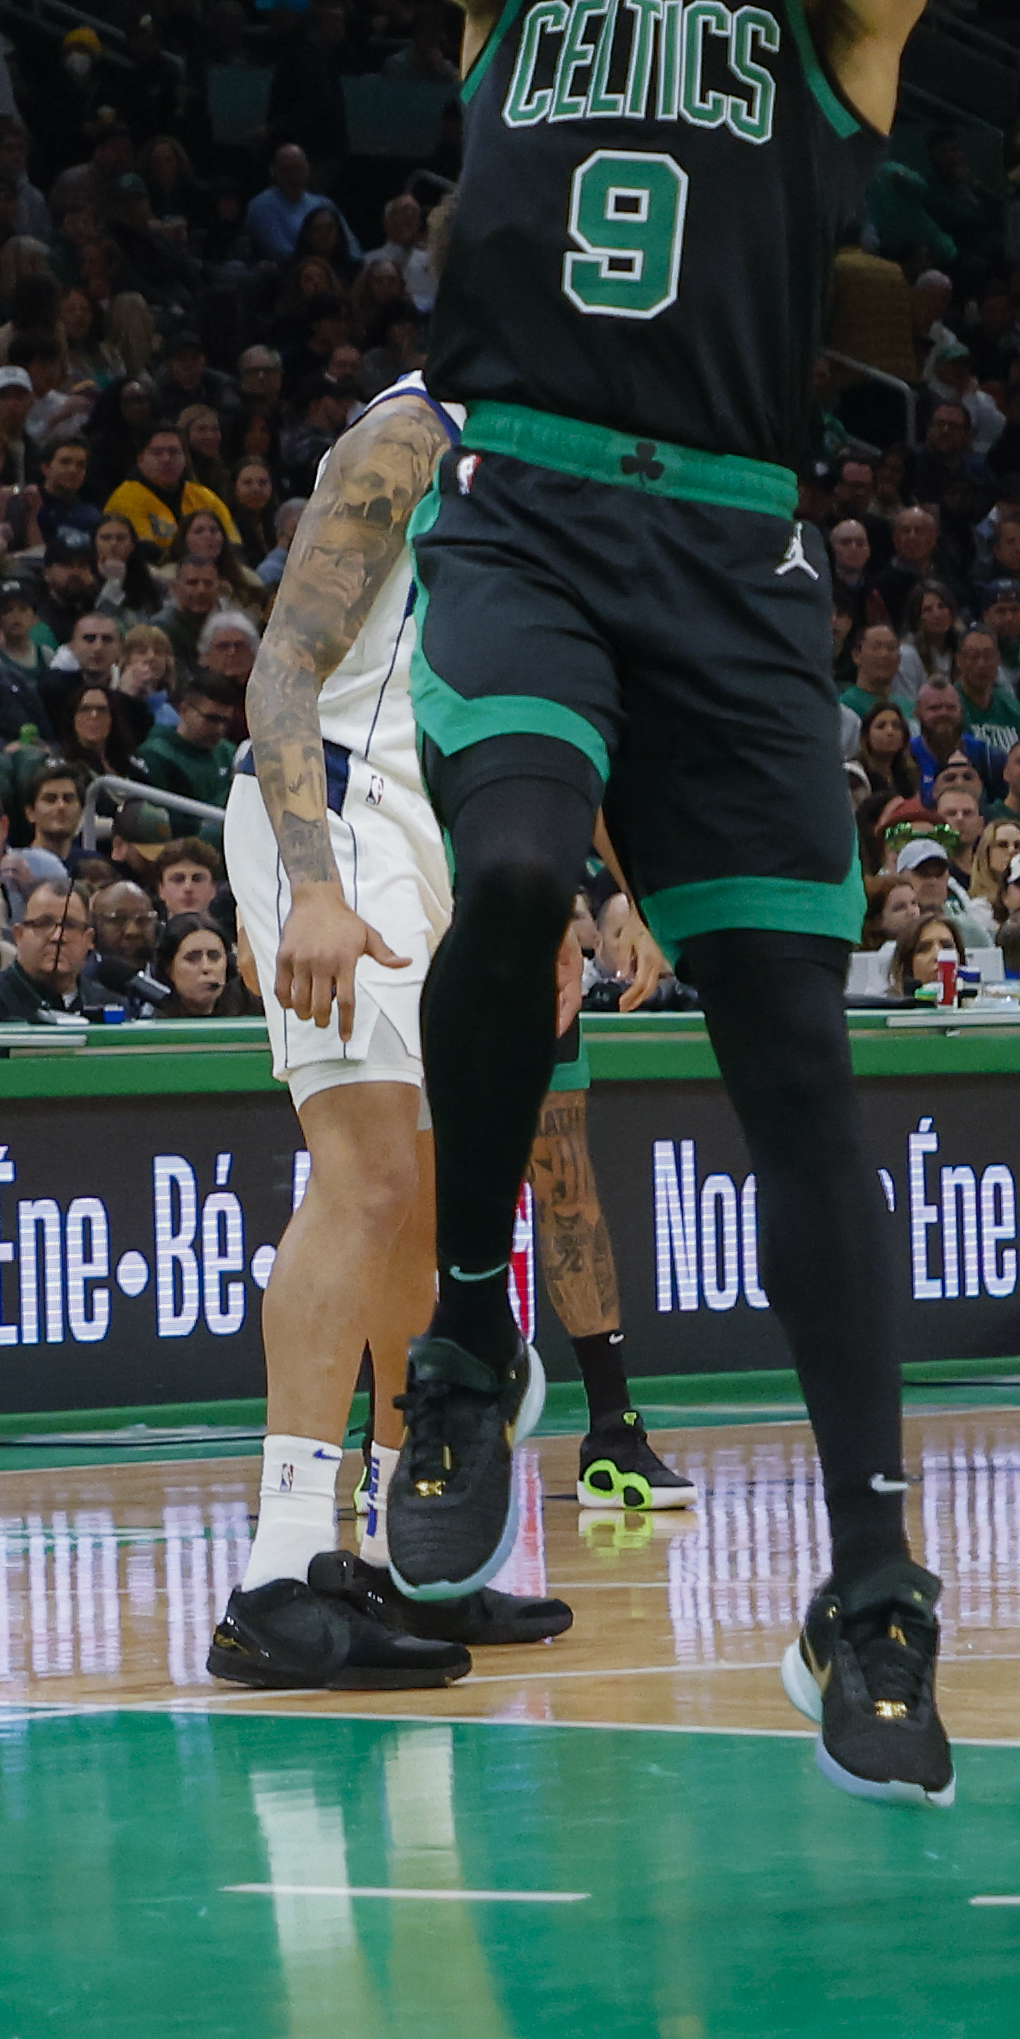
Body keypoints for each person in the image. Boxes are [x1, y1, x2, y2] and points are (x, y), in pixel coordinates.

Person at [273, 0, 948, 1804]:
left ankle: (867, 1575)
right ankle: (467, 1336)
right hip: (533, 507)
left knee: (795, 1086)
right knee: (526, 874)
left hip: (736, 548)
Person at [212, 364, 588, 1693]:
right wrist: (311, 881)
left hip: (447, 833)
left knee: (433, 1205)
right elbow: (281, 669)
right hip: (339, 801)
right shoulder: (407, 429)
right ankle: (277, 1571)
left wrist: (574, 898)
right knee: (365, 1176)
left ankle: (403, 1554)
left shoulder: (558, 445)